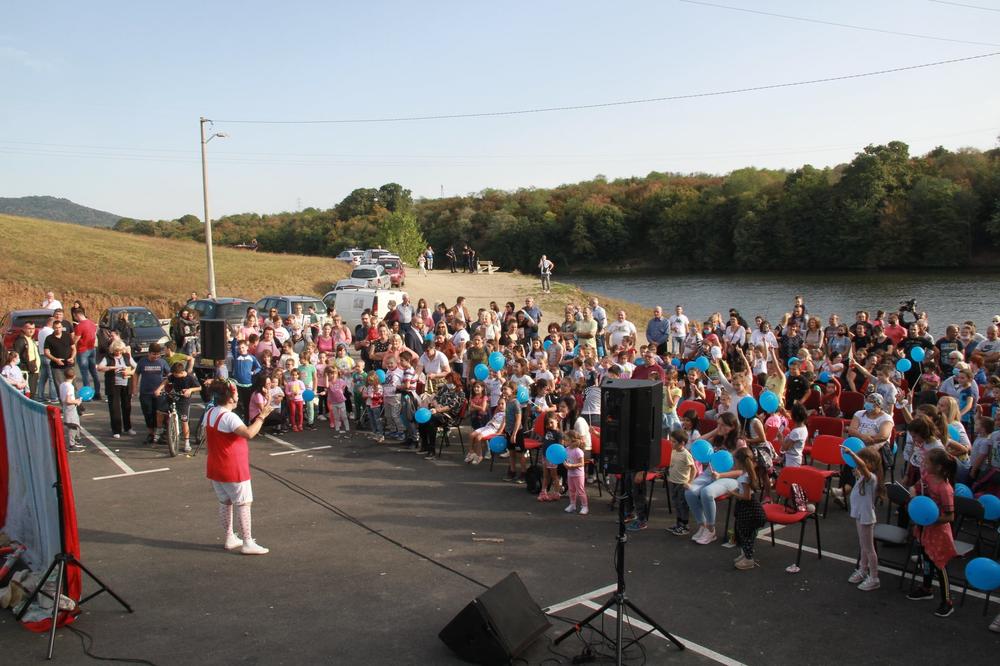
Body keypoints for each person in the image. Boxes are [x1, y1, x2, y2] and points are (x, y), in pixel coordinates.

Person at [203, 381, 273, 555]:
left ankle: (229, 536)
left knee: (225, 502)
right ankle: (248, 541)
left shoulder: (210, 412)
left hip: (215, 465)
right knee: (243, 503)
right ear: (230, 397)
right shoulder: (229, 417)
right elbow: (249, 433)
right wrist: (262, 416)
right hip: (233, 467)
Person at [905, 448, 958, 617]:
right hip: (925, 528)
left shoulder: (945, 488)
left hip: (938, 532)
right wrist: (913, 496)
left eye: (927, 462)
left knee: (939, 565)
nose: (924, 464)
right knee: (926, 558)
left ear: (939, 467)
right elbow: (915, 488)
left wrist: (931, 519)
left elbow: (950, 516)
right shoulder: (927, 477)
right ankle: (926, 588)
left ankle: (947, 601)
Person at [686, 413, 743, 545]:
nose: (720, 427)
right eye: (718, 424)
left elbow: (742, 471)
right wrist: (716, 430)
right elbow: (696, 443)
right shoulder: (718, 438)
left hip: (730, 477)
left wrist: (720, 476)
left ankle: (711, 530)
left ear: (732, 426)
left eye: (723, 425)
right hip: (710, 473)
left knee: (707, 492)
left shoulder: (739, 443)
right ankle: (702, 525)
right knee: (689, 491)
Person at [842, 445, 884, 592]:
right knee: (863, 546)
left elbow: (861, 465)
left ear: (870, 464)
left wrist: (852, 454)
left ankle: (874, 577)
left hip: (866, 517)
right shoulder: (864, 478)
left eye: (862, 461)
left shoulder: (871, 478)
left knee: (869, 548)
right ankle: (863, 570)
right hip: (861, 515)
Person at [732, 448, 766, 571]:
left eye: (735, 461)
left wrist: (733, 493)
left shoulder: (744, 478)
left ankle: (748, 558)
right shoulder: (747, 474)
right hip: (747, 507)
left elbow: (746, 496)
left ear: (740, 462)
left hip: (748, 508)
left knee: (746, 533)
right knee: (744, 531)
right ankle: (744, 555)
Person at [418, 371, 465, 460]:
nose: (448, 383)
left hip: (449, 416)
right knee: (423, 419)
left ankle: (432, 451)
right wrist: (436, 406)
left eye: (450, 381)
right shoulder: (445, 388)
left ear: (455, 381)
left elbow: (451, 406)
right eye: (447, 381)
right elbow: (435, 397)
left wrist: (437, 410)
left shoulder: (460, 393)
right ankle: (425, 445)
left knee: (431, 420)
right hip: (438, 411)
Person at [157, 361, 201, 452]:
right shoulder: (173, 375)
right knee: (160, 411)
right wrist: (158, 389)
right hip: (174, 396)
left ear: (181, 372)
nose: (174, 376)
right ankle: (160, 430)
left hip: (184, 400)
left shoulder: (190, 378)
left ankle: (187, 443)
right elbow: (166, 381)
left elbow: (199, 387)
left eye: (176, 375)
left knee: (184, 420)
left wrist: (190, 390)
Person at [96, 342, 136, 439]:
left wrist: (129, 372)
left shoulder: (126, 356)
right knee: (114, 408)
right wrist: (111, 368)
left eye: (119, 351)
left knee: (127, 406)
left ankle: (128, 427)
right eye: (116, 351)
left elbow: (136, 366)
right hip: (113, 385)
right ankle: (116, 430)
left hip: (126, 384)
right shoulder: (108, 357)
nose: (118, 353)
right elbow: (100, 367)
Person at [134, 342, 171, 444]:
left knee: (160, 413)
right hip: (145, 393)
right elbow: (136, 374)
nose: (156, 357)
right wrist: (134, 388)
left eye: (158, 354)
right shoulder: (142, 362)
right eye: (153, 354)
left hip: (159, 393)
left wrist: (162, 387)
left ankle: (160, 435)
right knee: (148, 413)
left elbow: (170, 375)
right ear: (149, 353)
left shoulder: (162, 362)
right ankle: (151, 434)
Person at [666, 429, 696, 536]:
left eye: (674, 442)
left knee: (682, 505)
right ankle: (678, 524)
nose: (671, 443)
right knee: (676, 504)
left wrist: (689, 482)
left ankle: (685, 526)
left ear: (682, 443)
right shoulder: (673, 451)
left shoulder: (686, 454)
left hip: (681, 483)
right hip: (673, 482)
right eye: (671, 441)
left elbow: (694, 469)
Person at [43, 319, 76, 390]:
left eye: (59, 327)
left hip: (69, 365)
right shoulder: (49, 338)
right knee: (60, 386)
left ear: (62, 327)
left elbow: (74, 348)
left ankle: (73, 400)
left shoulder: (67, 336)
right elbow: (46, 352)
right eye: (56, 327)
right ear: (53, 328)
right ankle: (63, 400)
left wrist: (72, 358)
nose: (58, 329)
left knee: (72, 385)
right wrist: (56, 360)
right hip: (56, 367)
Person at [58, 368, 85, 453]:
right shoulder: (70, 386)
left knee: (74, 424)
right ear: (74, 376)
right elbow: (68, 400)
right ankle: (72, 445)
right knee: (73, 425)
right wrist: (77, 401)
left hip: (65, 407)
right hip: (70, 408)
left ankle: (75, 441)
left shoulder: (62, 385)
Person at [538, 413, 563, 502]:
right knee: (545, 475)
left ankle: (556, 493)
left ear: (557, 420)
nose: (550, 425)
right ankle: (543, 492)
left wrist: (557, 456)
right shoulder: (547, 431)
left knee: (554, 475)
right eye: (548, 424)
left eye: (551, 423)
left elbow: (560, 446)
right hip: (545, 455)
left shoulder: (559, 433)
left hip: (553, 457)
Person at [12, 321, 40, 398]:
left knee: (32, 393)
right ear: (24, 329)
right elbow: (16, 357)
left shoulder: (31, 339)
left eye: (33, 328)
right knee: (28, 395)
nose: (31, 330)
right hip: (26, 371)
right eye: (29, 328)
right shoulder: (21, 340)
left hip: (34, 370)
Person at [563, 431, 588, 515]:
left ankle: (585, 506)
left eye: (566, 440)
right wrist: (565, 464)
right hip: (570, 474)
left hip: (578, 474)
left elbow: (582, 463)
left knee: (580, 490)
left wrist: (571, 466)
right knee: (571, 490)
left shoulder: (578, 451)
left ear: (572, 440)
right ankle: (572, 504)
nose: (564, 441)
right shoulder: (566, 450)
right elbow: (564, 460)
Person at [782, 403, 808, 467]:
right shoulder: (804, 427)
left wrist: (780, 437)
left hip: (792, 460)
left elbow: (785, 448)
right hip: (795, 458)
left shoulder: (796, 432)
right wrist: (784, 414)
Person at [284, 368, 306, 432]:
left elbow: (303, 389)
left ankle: (300, 425)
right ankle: (294, 425)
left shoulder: (300, 382)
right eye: (293, 375)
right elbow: (287, 391)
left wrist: (298, 392)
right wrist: (291, 393)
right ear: (291, 375)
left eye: (296, 375)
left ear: (298, 375)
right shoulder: (289, 383)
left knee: (300, 413)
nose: (294, 376)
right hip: (292, 400)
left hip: (300, 400)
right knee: (292, 413)